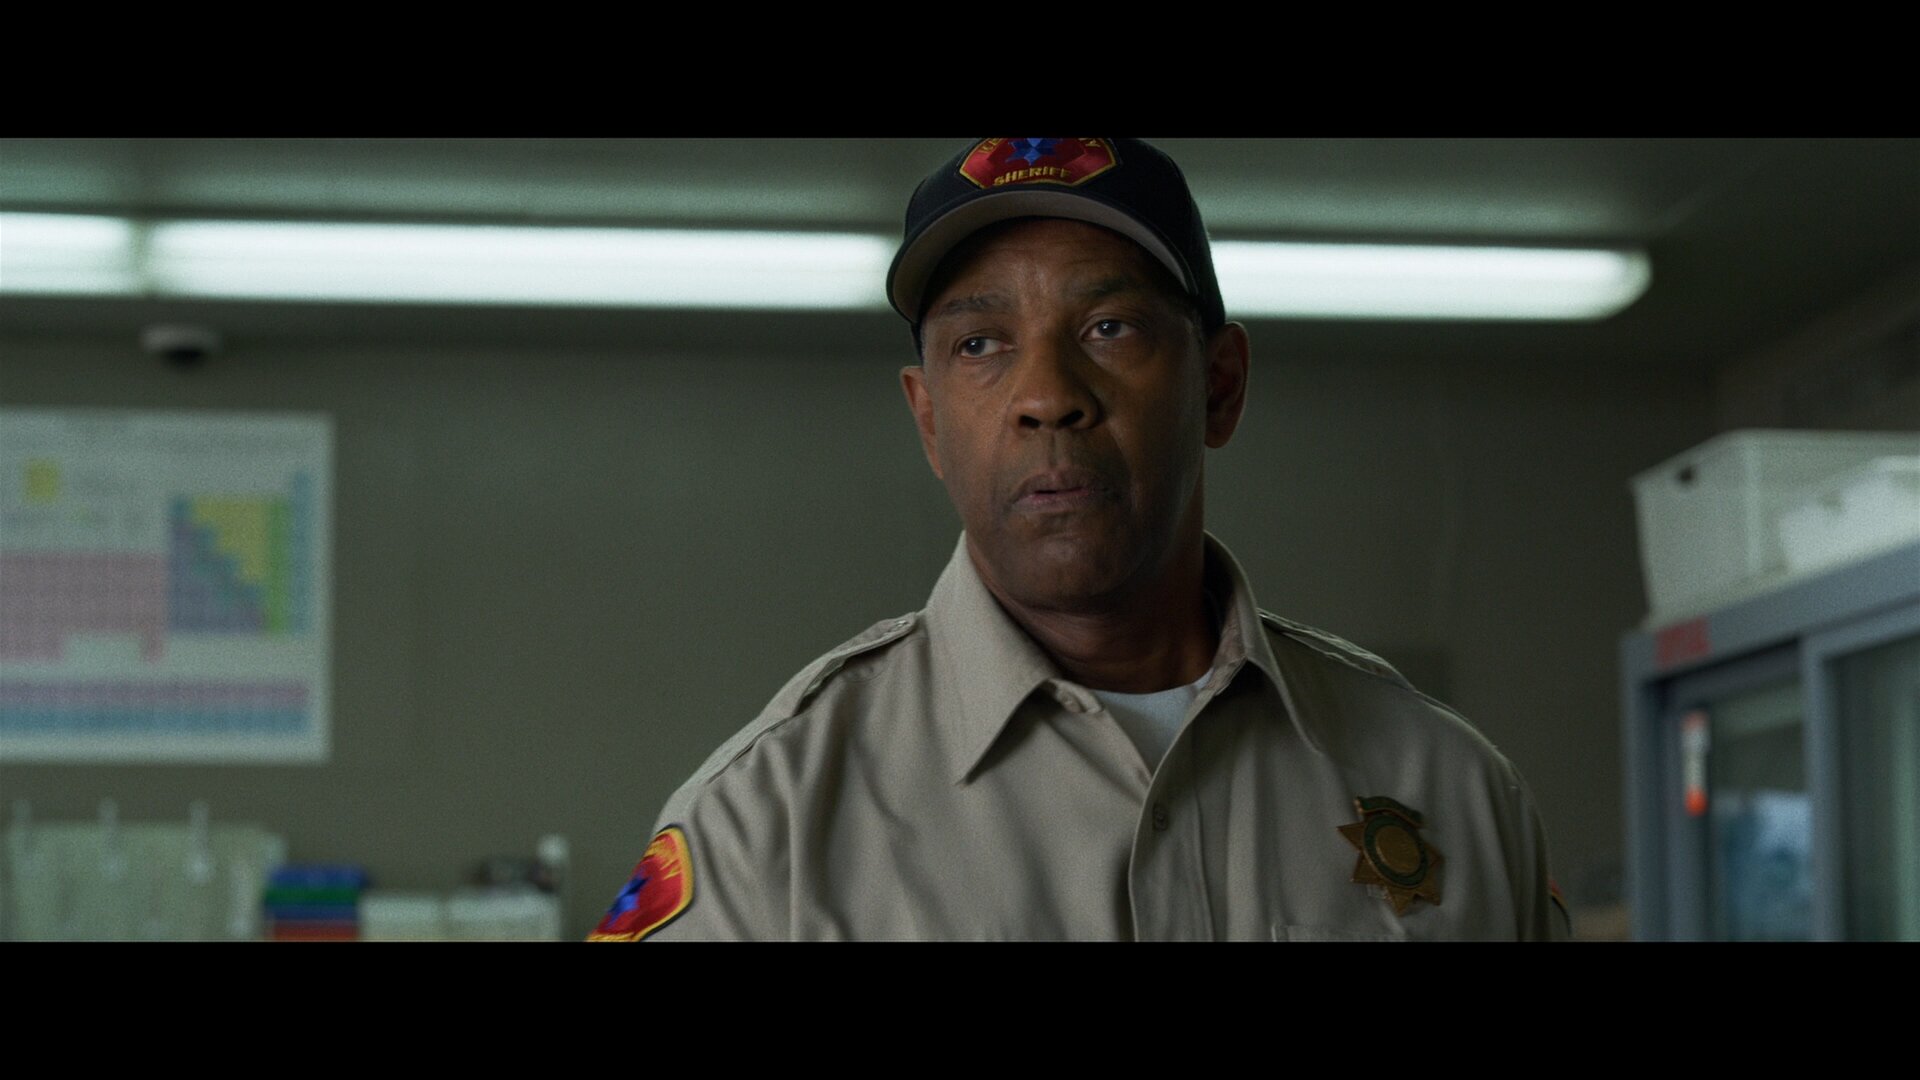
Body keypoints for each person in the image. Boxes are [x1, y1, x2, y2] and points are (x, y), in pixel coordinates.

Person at [591, 138, 1570, 941]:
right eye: (980, 344)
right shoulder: (766, 823)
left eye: (1109, 328)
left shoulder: (1452, 789)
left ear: (1220, 386)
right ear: (928, 420)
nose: (1048, 396)